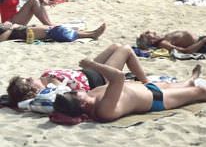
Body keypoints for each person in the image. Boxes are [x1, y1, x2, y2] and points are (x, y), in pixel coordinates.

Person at [51, 60, 206, 123]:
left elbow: (54, 110)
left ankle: (189, 79)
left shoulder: (89, 100)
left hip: (149, 89)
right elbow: (118, 78)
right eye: (77, 94)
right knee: (199, 92)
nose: (77, 90)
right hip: (158, 100)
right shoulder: (103, 109)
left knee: (186, 85)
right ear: (82, 103)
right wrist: (91, 64)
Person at [6, 43, 148, 107]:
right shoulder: (50, 90)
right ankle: (147, 83)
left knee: (115, 46)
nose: (31, 77)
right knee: (126, 49)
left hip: (86, 71)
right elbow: (68, 95)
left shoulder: (44, 77)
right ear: (32, 92)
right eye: (28, 81)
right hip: (99, 79)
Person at [1, 21, 105, 43]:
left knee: (52, 28)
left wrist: (9, 25)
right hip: (20, 33)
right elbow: (2, 39)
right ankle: (92, 34)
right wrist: (11, 28)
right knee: (53, 31)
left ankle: (90, 32)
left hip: (20, 28)